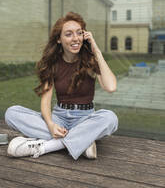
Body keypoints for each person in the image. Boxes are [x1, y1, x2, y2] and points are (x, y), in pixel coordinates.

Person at [5, 12, 118, 160]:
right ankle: (83, 142)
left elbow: (111, 87)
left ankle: (46, 147)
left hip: (85, 119)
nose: (75, 38)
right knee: (12, 113)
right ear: (59, 39)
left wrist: (96, 50)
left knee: (110, 118)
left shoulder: (90, 61)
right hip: (59, 118)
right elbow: (45, 101)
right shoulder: (53, 64)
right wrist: (51, 125)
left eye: (79, 33)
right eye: (69, 34)